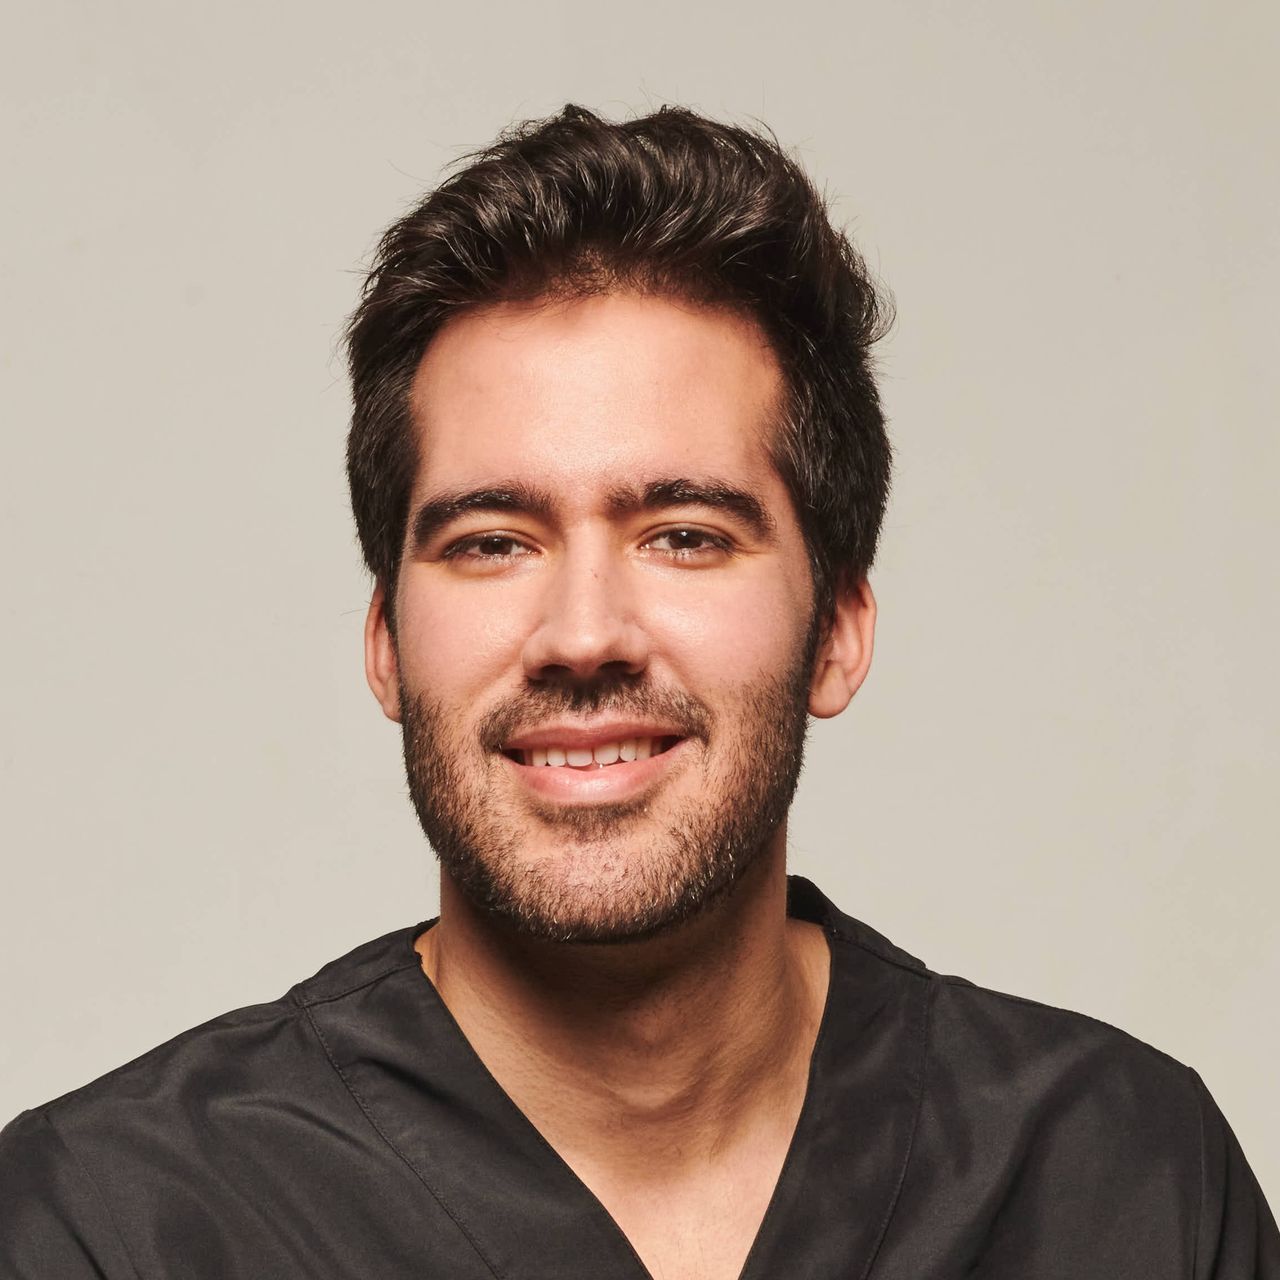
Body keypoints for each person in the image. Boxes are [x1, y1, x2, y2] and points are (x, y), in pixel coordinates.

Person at [1, 104, 1274, 1280]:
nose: (582, 633)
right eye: (491, 541)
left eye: (684, 535)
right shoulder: (117, 1223)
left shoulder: (1119, 1178)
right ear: (384, 642)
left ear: (836, 630)